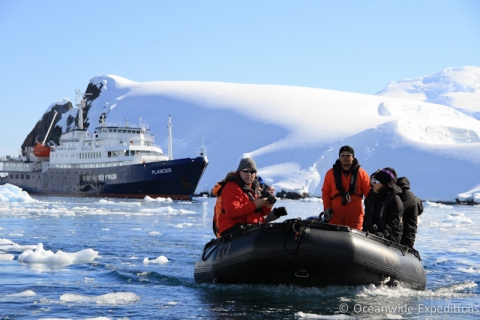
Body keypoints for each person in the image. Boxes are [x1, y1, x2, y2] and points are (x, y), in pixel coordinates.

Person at [216, 158, 287, 237]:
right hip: (233, 228)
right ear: (239, 172)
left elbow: (261, 213)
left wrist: (267, 207)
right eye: (245, 170)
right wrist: (254, 205)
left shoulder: (255, 187)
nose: (249, 174)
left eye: (252, 171)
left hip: (251, 227)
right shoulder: (232, 187)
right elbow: (231, 212)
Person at [321, 146, 371, 230]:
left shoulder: (362, 174)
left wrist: (370, 214)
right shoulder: (330, 173)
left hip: (355, 216)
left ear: (353, 157)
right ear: (339, 157)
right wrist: (327, 208)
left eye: (348, 155)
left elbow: (370, 195)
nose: (345, 157)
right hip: (335, 216)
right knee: (334, 239)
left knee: (356, 240)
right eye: (342, 155)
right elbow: (326, 193)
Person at [382, 167, 422, 249]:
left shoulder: (405, 195)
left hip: (403, 240)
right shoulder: (389, 194)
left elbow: (396, 214)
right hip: (391, 237)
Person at [363, 169, 403, 243]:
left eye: (375, 182)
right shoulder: (372, 196)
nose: (372, 184)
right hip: (371, 236)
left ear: (383, 183)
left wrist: (383, 233)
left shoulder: (394, 199)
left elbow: (394, 221)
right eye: (372, 181)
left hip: (389, 239)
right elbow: (367, 216)